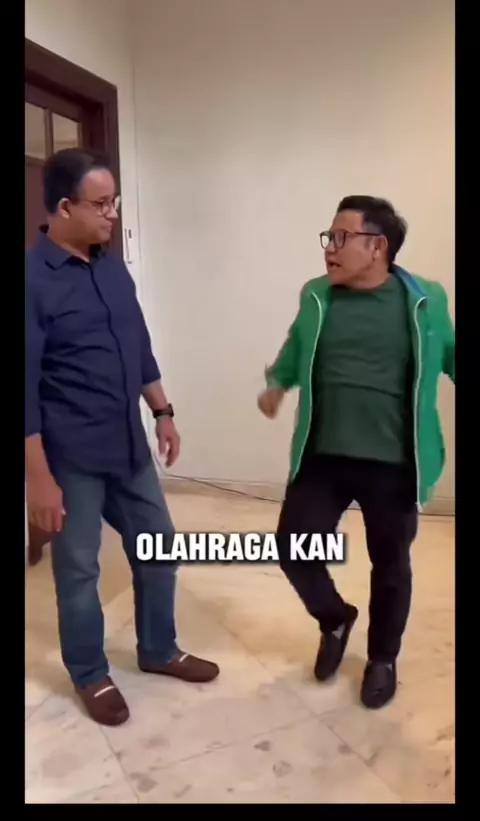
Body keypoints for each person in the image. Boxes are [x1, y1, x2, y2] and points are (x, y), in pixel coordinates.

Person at [25, 148, 219, 727]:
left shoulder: (111, 267)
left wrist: (163, 410)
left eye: (114, 201)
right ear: (65, 207)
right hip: (71, 457)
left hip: (128, 446)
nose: (112, 213)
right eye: (101, 204)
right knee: (79, 571)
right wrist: (38, 479)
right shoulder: (32, 281)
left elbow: (137, 343)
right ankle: (89, 672)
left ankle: (159, 649)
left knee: (160, 549)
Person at [258, 196, 455, 709]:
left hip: (395, 462)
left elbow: (450, 353)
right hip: (323, 455)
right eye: (329, 237)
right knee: (294, 548)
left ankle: (382, 658)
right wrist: (277, 382)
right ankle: (335, 619)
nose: (330, 247)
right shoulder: (316, 295)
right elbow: (297, 345)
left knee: (390, 566)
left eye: (342, 237)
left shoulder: (426, 299)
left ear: (377, 246)